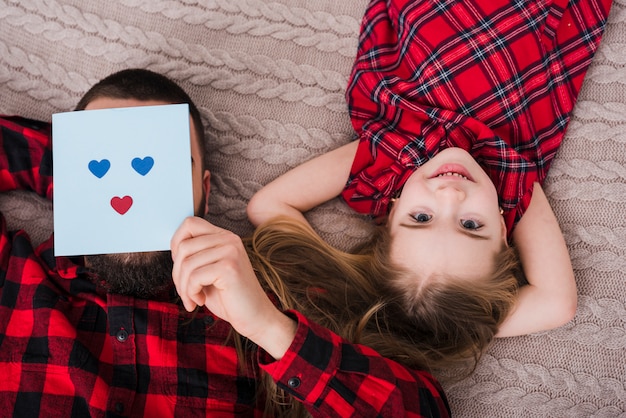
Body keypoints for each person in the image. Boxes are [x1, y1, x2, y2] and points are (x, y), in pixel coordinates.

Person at [0, 68, 451, 417]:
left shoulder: (265, 298)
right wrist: (82, 177)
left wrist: (271, 329)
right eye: (96, 157)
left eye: (162, 165)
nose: (132, 191)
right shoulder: (13, 280)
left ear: (205, 191)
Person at [247, 0, 612, 370]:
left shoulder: (386, 160)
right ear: (503, 228)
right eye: (471, 225)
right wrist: (452, 326)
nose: (450, 195)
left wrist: (393, 321)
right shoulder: (511, 181)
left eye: (421, 217)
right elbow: (555, 302)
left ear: (391, 212)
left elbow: (268, 207)